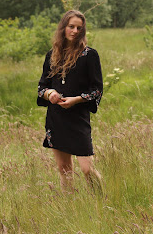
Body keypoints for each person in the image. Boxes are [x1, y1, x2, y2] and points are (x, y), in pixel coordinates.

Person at [37, 10, 103, 193]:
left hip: (78, 117)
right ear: (63, 27)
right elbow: (41, 87)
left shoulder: (90, 55)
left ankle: (102, 200)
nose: (74, 31)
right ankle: (70, 208)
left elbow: (97, 89)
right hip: (56, 118)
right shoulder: (52, 55)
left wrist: (77, 99)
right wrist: (50, 93)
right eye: (71, 26)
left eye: (79, 28)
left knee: (87, 169)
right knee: (64, 171)